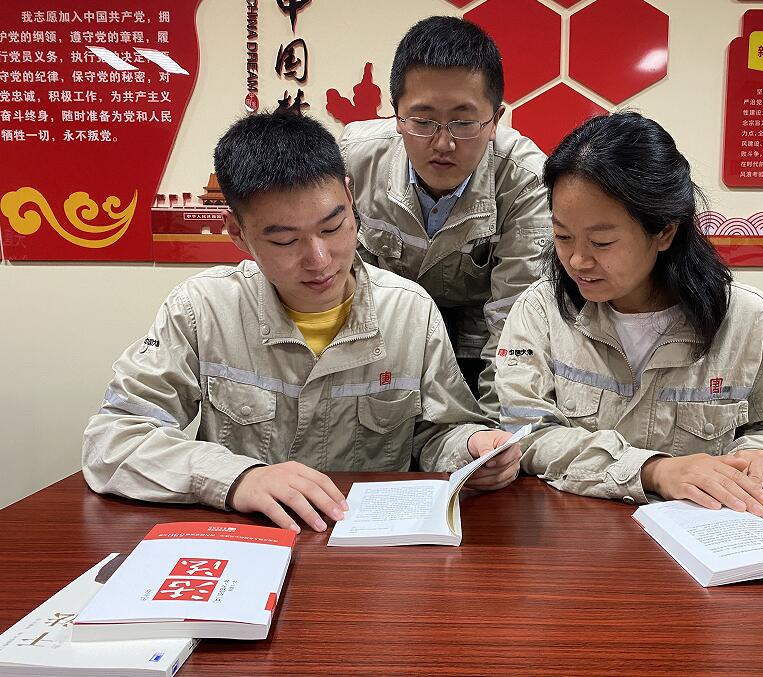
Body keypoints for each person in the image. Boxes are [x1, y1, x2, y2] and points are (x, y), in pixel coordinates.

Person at [82, 111, 521, 534]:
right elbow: (113, 439)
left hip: (365, 547)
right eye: (285, 240)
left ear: (350, 198)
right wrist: (239, 478)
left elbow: (438, 434)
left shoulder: (409, 312)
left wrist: (472, 449)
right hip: (249, 541)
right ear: (237, 232)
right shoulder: (202, 310)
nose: (319, 259)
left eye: (333, 227)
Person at [495, 112, 763, 513]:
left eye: (601, 242)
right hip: (580, 535)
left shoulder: (745, 318)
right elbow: (526, 433)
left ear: (665, 231)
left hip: (709, 534)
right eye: (563, 236)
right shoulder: (541, 311)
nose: (578, 260)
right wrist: (651, 470)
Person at [338, 15, 550, 415]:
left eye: (464, 122)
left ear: (495, 120)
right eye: (423, 121)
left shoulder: (525, 179)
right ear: (396, 116)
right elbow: (346, 284)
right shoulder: (355, 159)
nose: (443, 143)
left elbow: (514, 322)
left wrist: (495, 433)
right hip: (385, 336)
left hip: (479, 342)